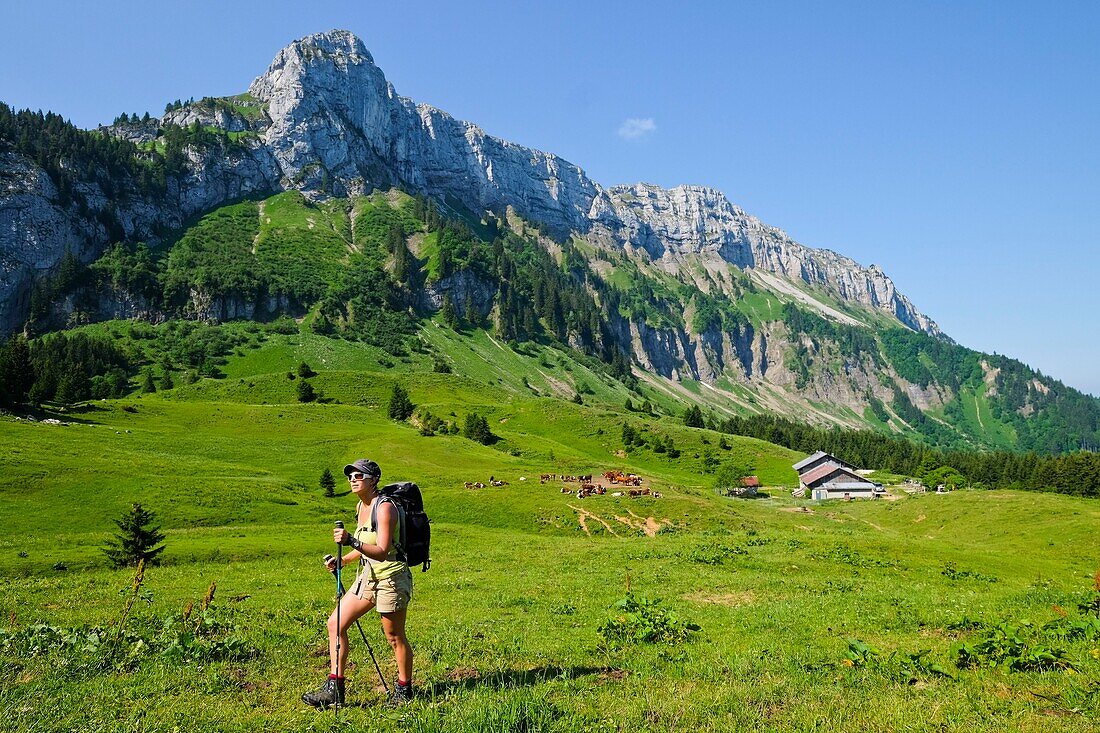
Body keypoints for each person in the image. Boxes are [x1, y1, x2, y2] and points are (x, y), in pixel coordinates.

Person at [302, 458, 415, 708]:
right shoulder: (360, 507)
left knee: (394, 636)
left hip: (391, 577)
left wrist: (350, 541)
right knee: (336, 624)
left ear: (373, 480)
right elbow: (367, 547)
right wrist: (344, 561)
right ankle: (335, 689)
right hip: (367, 577)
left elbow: (383, 550)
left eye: (359, 476)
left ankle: (404, 690)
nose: (353, 479)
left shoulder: (385, 508)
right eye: (350, 476)